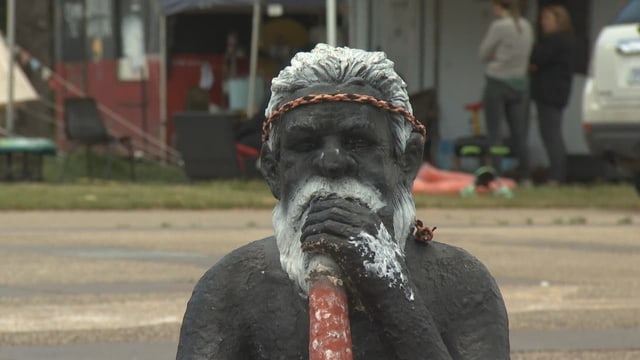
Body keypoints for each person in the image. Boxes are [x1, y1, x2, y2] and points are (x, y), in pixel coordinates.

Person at [176, 44, 510, 359]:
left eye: (358, 142)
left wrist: (389, 287)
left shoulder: (461, 282)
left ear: (406, 161)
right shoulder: (232, 287)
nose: (332, 162)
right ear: (274, 171)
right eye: (306, 145)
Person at [479, 0, 534, 184]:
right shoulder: (526, 26)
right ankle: (526, 175)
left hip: (498, 82)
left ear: (499, 6)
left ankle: (497, 175)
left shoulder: (499, 26)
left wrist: (497, 56)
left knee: (495, 132)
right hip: (520, 84)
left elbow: (483, 53)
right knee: (519, 132)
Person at [529, 5, 575, 185]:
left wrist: (534, 64)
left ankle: (557, 176)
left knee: (551, 135)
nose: (543, 23)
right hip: (555, 94)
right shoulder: (564, 41)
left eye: (547, 19)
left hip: (550, 94)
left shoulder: (556, 41)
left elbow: (537, 58)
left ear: (559, 21)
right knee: (550, 134)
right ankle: (557, 173)